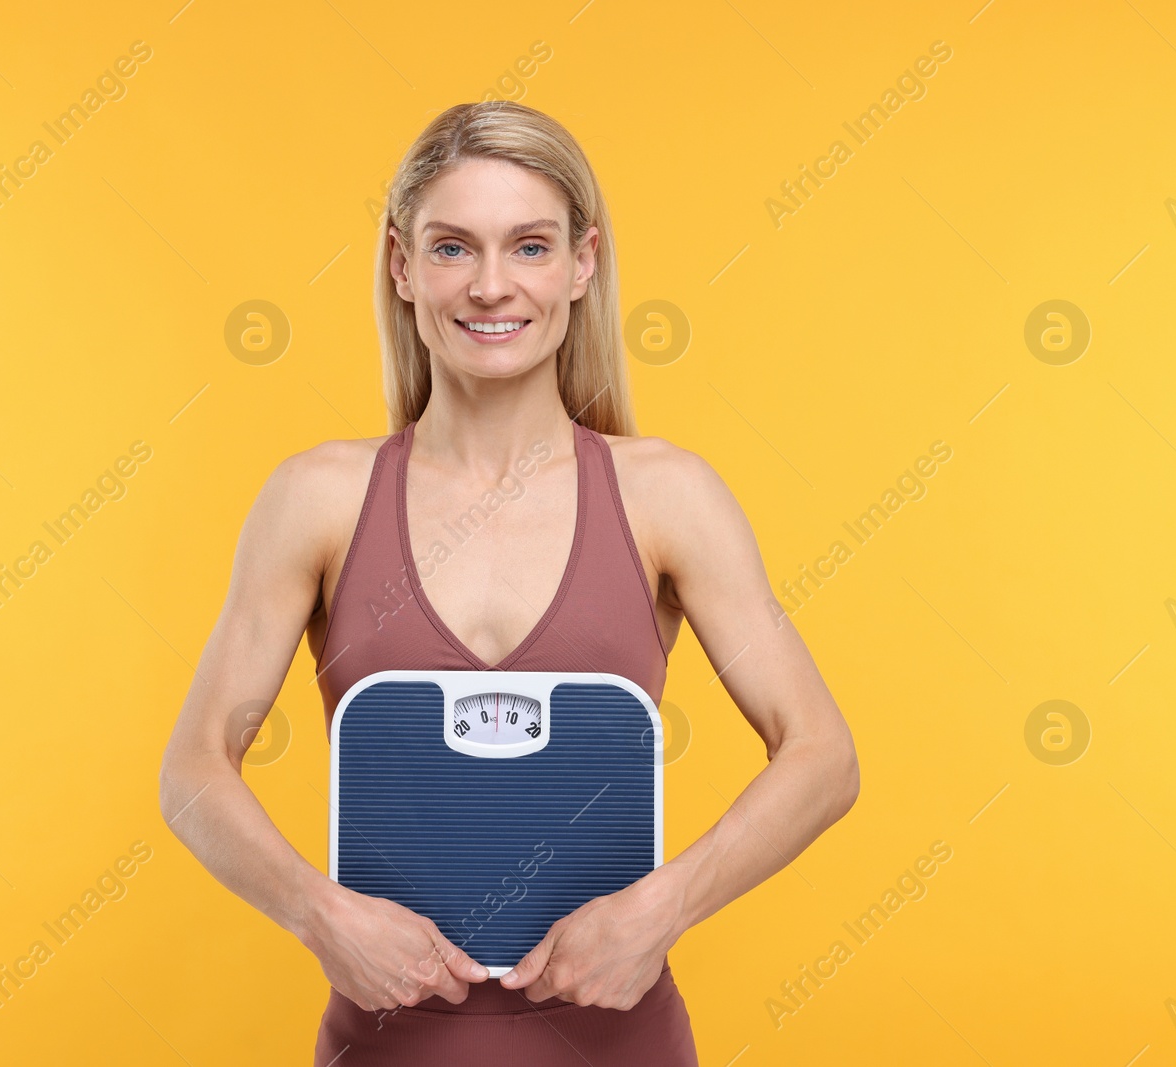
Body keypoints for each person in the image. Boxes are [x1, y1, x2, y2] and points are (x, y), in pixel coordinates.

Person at [158, 100, 860, 1066]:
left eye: (529, 246)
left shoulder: (669, 497)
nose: (492, 286)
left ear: (583, 263)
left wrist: (661, 910)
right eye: (453, 249)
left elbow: (822, 753)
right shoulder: (315, 499)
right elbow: (193, 768)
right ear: (403, 268)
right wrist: (320, 915)